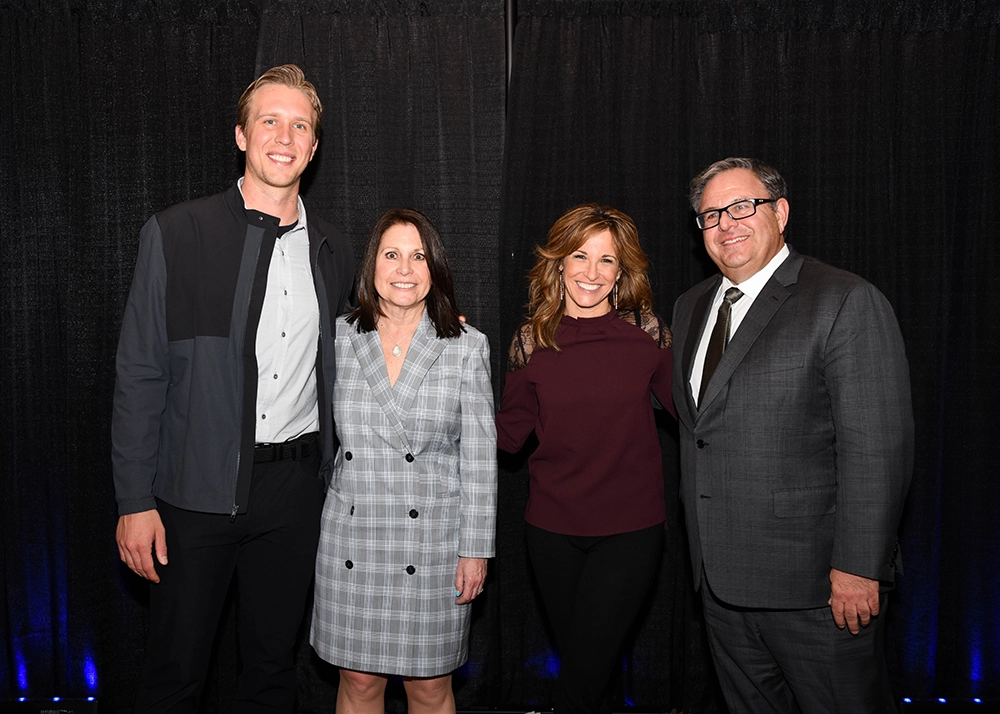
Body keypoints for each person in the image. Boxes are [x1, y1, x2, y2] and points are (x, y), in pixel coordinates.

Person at [112, 64, 354, 712]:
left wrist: (440, 326)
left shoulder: (333, 246)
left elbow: (363, 341)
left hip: (294, 493)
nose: (285, 135)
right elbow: (140, 372)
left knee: (273, 671)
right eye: (269, 121)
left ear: (314, 145)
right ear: (241, 137)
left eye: (300, 124)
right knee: (177, 673)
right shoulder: (175, 232)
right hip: (193, 495)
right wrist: (134, 500)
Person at [672, 157, 914, 712]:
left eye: (741, 207)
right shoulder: (691, 307)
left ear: (779, 212)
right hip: (719, 584)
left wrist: (858, 567)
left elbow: (877, 448)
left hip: (818, 590)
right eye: (710, 215)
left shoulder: (844, 300)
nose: (725, 223)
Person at [310, 208, 496, 714]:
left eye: (418, 256)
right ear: (372, 266)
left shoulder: (466, 346)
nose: (405, 268)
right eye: (391, 255)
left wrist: (476, 550)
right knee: (359, 682)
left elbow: (479, 459)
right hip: (353, 539)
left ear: (434, 267)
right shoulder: (338, 338)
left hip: (434, 545)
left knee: (430, 688)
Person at [495, 204, 674, 714]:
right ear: (558, 262)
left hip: (631, 530)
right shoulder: (531, 341)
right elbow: (507, 437)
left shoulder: (648, 334)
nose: (591, 273)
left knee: (582, 672)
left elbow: (693, 416)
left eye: (607, 261)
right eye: (580, 256)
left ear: (623, 272)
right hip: (551, 532)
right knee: (590, 665)